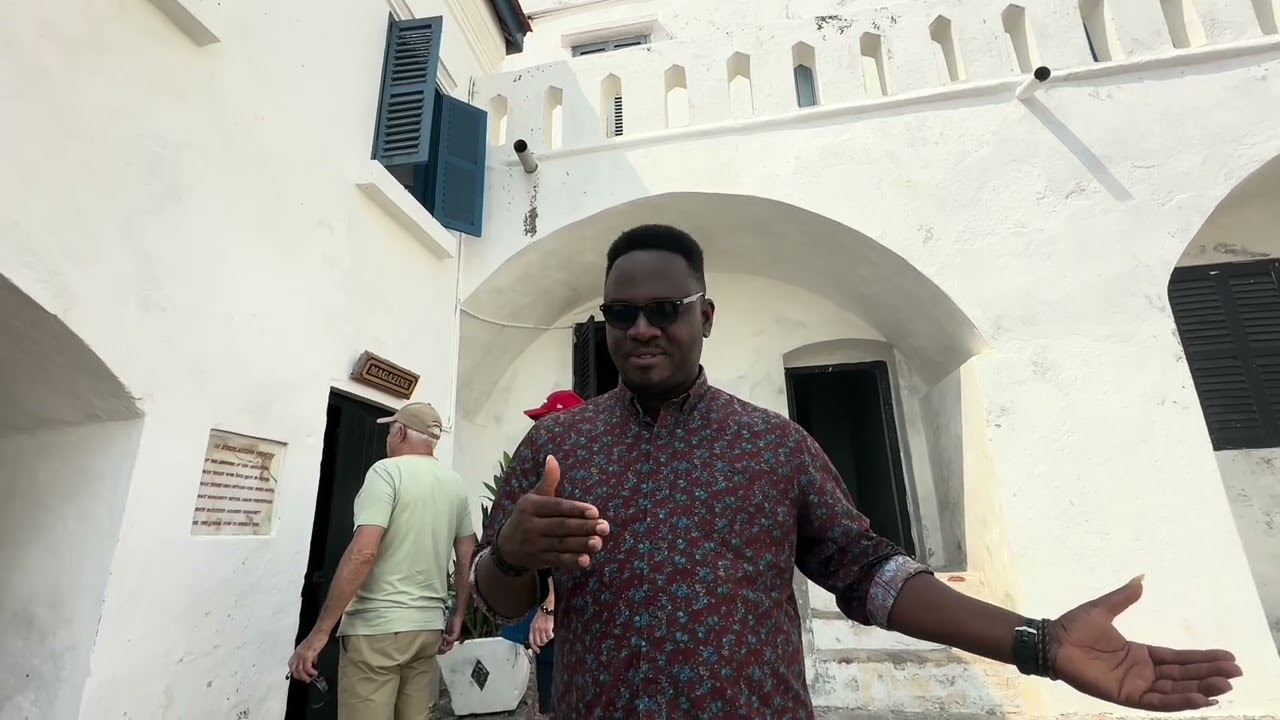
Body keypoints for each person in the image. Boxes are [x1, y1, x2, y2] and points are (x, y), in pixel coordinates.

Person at [466, 224, 1245, 718]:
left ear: (705, 315)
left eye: (664, 309)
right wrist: (511, 555)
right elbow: (501, 597)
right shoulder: (558, 449)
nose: (640, 328)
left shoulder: (774, 446)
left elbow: (872, 576)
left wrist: (1037, 644)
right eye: (620, 313)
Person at [289, 401, 476, 719]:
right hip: (426, 628)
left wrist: (319, 634)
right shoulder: (454, 484)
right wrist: (459, 613)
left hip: (377, 630)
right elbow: (466, 555)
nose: (388, 438)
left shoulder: (386, 472)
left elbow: (363, 553)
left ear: (400, 432)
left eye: (390, 431)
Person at [498, 390, 585, 719]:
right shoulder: (547, 474)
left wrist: (549, 608)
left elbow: (567, 550)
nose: (540, 432)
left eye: (546, 422)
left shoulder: (573, 479)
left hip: (559, 610)